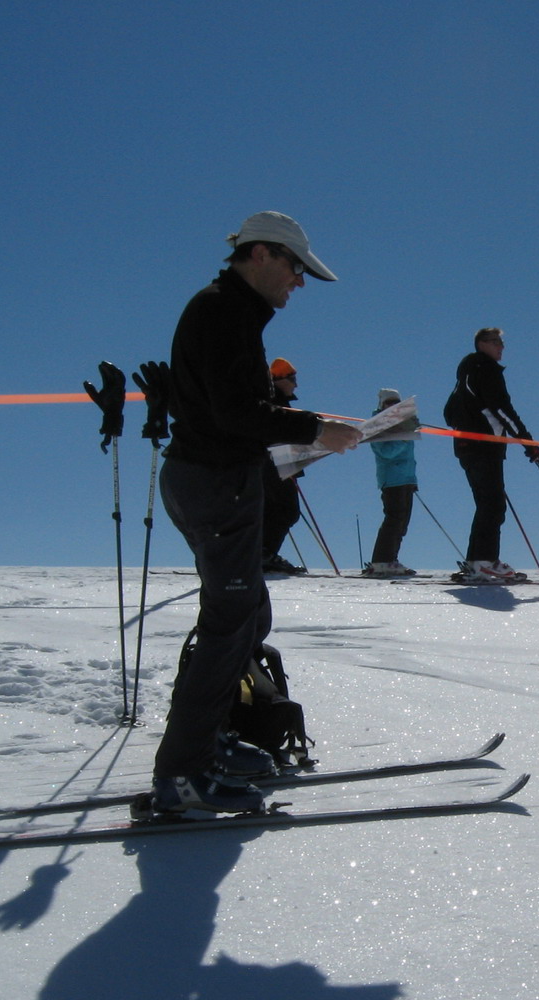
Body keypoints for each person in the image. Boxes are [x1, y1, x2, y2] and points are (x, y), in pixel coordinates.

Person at [151, 211, 361, 815]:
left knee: (243, 621)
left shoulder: (234, 313)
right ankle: (182, 774)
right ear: (262, 254)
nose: (299, 282)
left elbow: (237, 404)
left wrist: (304, 424)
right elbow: (236, 414)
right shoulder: (221, 310)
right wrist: (317, 429)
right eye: (296, 268)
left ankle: (206, 742)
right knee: (230, 626)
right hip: (215, 485)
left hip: (218, 483)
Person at [443, 327, 539, 581]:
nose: (502, 347)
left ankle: (478, 562)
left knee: (487, 503)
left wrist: (466, 424)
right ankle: (485, 561)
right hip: (484, 446)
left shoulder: (466, 373)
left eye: (501, 342)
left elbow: (449, 411)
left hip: (467, 445)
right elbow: (501, 408)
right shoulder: (485, 369)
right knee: (493, 504)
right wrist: (528, 442)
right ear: (481, 344)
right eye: (496, 342)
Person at [261, 357, 308, 576]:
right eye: (292, 379)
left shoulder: (274, 400)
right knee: (286, 510)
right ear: (280, 379)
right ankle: (264, 554)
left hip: (275, 464)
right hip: (275, 465)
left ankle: (261, 553)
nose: (296, 384)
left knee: (274, 510)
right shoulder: (274, 401)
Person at [365, 388, 419, 577]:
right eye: (389, 403)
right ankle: (382, 560)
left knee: (402, 522)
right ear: (382, 405)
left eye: (397, 402)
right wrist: (405, 437)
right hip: (392, 478)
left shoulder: (401, 424)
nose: (393, 406)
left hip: (405, 478)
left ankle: (390, 559)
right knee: (394, 518)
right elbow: (386, 452)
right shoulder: (377, 426)